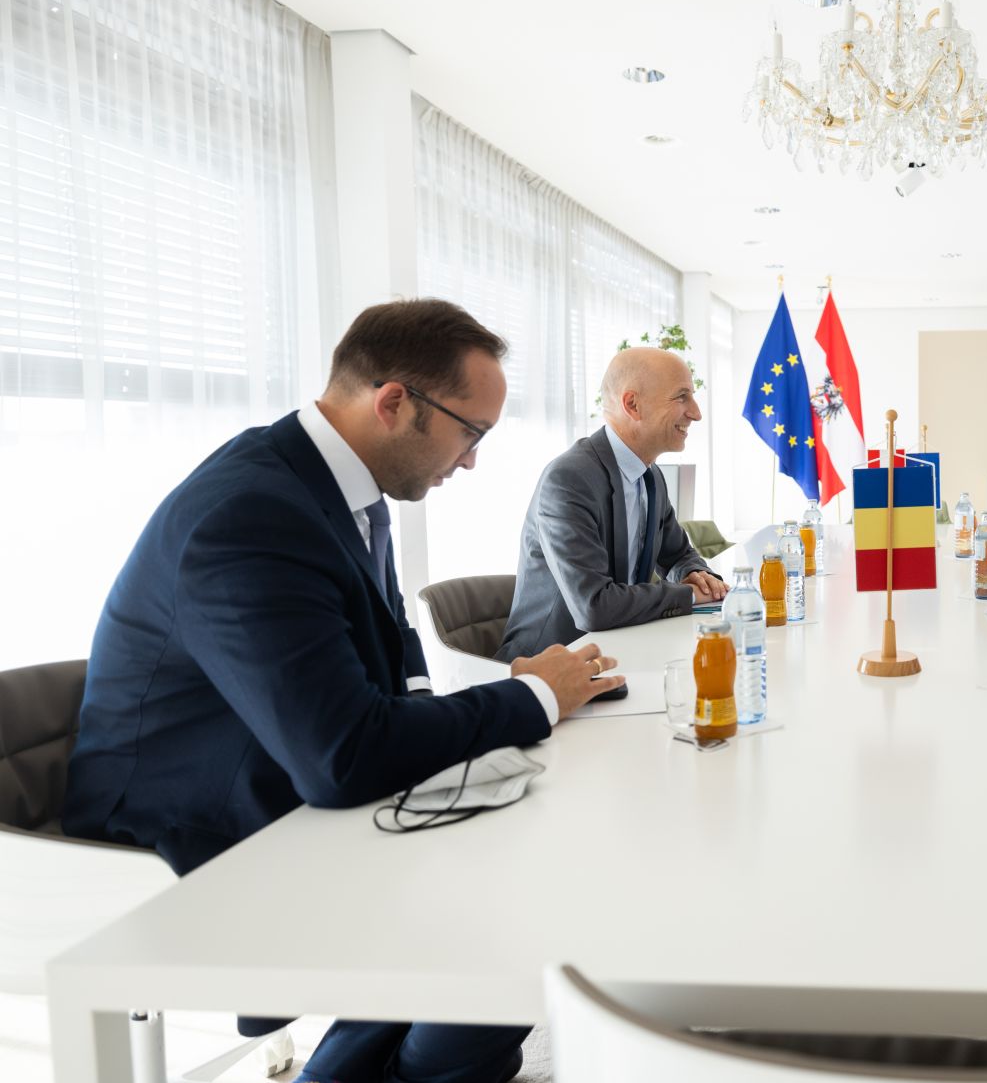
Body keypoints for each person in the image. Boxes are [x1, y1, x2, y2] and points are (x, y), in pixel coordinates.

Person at [63, 299, 625, 1083]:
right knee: (511, 900)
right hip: (186, 832)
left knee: (529, 854)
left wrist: (501, 707)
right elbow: (344, 754)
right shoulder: (251, 512)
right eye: (472, 432)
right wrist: (531, 698)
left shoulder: (337, 489)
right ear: (394, 402)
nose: (471, 462)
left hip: (277, 772)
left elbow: (387, 685)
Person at [498, 346, 727, 657]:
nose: (696, 413)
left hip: (622, 650)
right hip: (554, 666)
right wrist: (685, 594)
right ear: (633, 404)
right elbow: (594, 606)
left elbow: (679, 554)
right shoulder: (568, 479)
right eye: (681, 396)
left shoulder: (651, 475)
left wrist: (700, 577)